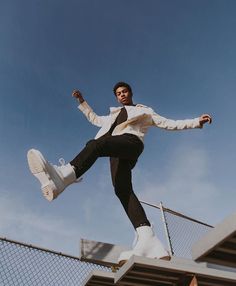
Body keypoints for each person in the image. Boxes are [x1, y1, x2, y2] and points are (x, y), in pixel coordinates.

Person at [27, 82, 212, 265]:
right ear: (116, 97)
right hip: (116, 154)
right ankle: (148, 239)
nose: (122, 95)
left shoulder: (144, 110)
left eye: (124, 92)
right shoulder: (112, 115)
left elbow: (168, 123)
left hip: (131, 143)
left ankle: (64, 176)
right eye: (118, 93)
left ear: (130, 93)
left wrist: (196, 121)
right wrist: (82, 102)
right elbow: (94, 118)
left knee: (95, 145)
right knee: (122, 189)